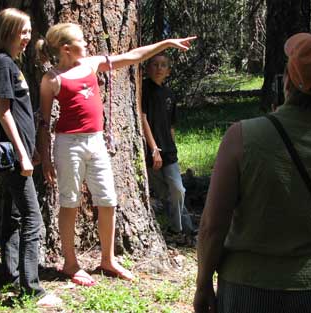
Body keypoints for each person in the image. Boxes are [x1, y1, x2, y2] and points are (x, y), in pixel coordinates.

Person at [35, 22, 196, 286]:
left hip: (96, 141)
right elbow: (43, 121)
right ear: (66, 49)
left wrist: (166, 43)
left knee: (108, 200)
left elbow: (133, 56)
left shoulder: (92, 64)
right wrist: (46, 157)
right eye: (81, 41)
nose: (87, 44)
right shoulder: (52, 79)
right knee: (70, 202)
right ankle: (71, 264)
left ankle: (108, 259)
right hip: (68, 145)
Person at [194, 33, 311, 313]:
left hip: (248, 289)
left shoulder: (242, 136)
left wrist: (203, 283)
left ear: (288, 81)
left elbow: (213, 225)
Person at [0, 8, 61, 307]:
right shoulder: (3, 63)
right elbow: (3, 112)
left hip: (21, 154)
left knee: (16, 215)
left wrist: (32, 149)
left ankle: (11, 274)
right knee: (33, 219)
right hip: (14, 157)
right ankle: (32, 288)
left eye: (29, 31)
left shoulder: (11, 64)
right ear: (8, 32)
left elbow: (18, 112)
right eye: (23, 31)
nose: (27, 37)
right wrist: (22, 155)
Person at [141, 53, 195, 235]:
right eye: (154, 64)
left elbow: (171, 125)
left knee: (178, 190)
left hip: (169, 152)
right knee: (166, 194)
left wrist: (171, 146)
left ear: (169, 71)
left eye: (163, 65)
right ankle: (185, 230)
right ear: (148, 68)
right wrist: (153, 148)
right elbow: (143, 118)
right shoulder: (143, 90)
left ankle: (177, 229)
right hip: (150, 151)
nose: (158, 68)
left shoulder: (170, 95)